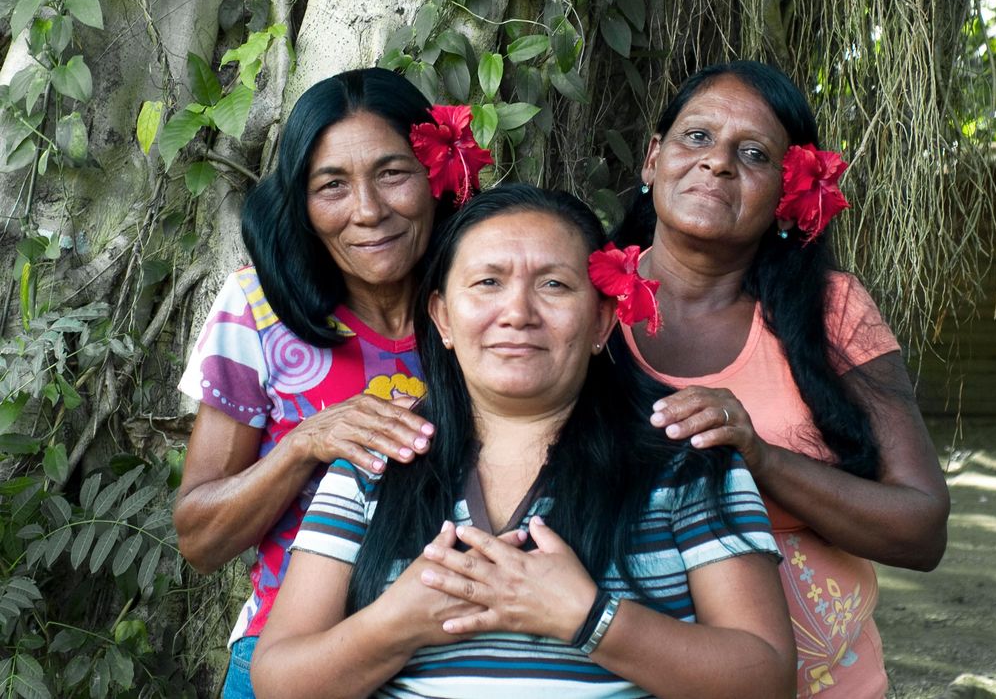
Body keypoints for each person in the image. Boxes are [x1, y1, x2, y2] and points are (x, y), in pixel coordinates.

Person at [250, 185, 797, 698]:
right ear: (441, 316)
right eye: (488, 282)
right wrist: (396, 623)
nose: (517, 313)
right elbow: (279, 681)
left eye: (553, 285)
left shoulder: (686, 455)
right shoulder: (376, 457)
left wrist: (591, 618)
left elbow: (767, 678)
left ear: (603, 320)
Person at [615, 60, 950, 697]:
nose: (717, 163)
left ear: (788, 194)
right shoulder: (576, 298)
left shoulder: (832, 310)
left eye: (754, 153)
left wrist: (761, 459)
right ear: (652, 159)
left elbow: (921, 528)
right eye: (696, 137)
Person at [173, 68, 490, 697]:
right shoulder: (258, 309)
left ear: (439, 174)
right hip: (290, 663)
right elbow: (200, 541)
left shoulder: (488, 301)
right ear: (303, 205)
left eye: (393, 173)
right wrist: (304, 442)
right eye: (332, 186)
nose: (368, 211)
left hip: (458, 663)